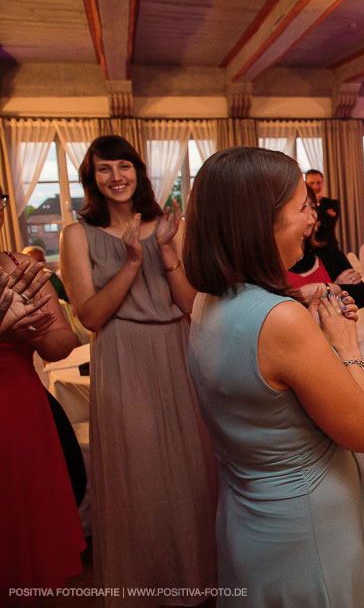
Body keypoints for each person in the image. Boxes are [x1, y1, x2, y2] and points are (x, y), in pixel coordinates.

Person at [185, 147, 364, 607]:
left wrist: (294, 300)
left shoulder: (205, 301)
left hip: (247, 521)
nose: (312, 220)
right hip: (307, 528)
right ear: (261, 222)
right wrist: (345, 341)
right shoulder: (281, 322)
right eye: (301, 207)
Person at [60, 135, 217, 603]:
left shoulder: (171, 225)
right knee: (138, 476)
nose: (116, 177)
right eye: (104, 169)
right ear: (93, 178)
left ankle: (197, 580)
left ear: (138, 171)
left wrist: (165, 252)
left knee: (191, 471)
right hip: (123, 356)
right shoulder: (77, 234)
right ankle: (144, 590)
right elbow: (89, 316)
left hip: (177, 348)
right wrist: (131, 262)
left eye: (124, 166)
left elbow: (190, 303)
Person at [1, 239, 85, 594]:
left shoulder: (19, 267)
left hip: (21, 410)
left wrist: (36, 329)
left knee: (27, 543)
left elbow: (62, 343)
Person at [287, 185, 364, 309]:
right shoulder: (271, 262)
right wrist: (336, 289)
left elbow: (362, 294)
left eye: (313, 207)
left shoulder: (326, 251)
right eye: (303, 207)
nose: (313, 215)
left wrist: (329, 288)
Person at [305, 168, 340, 248]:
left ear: (323, 183)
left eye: (318, 182)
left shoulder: (333, 204)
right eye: (311, 183)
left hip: (329, 247)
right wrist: (325, 213)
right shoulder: (303, 205)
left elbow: (327, 225)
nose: (315, 187)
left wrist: (316, 203)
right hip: (308, 249)